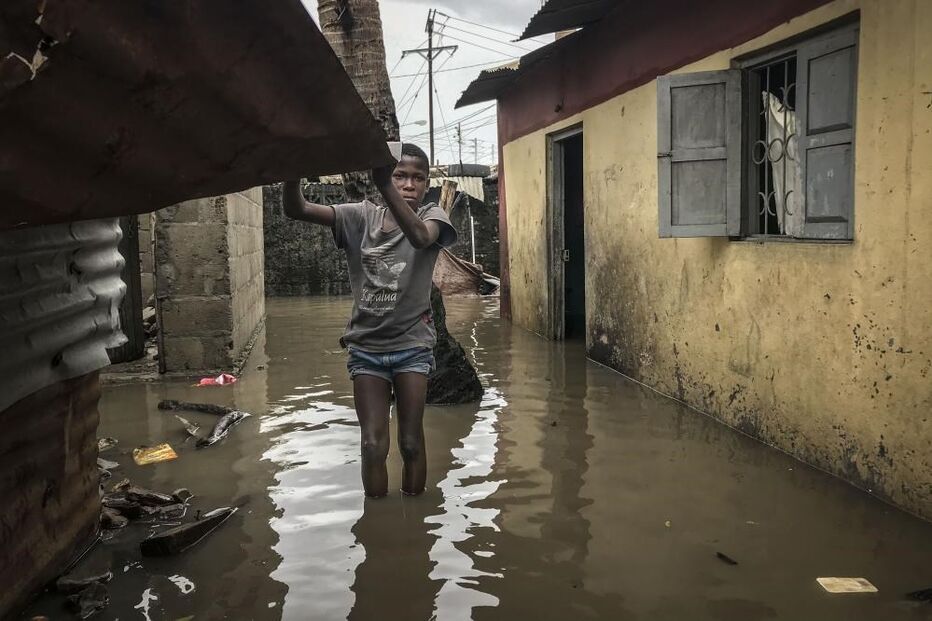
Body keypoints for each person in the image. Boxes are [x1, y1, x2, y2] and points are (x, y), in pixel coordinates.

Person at [282, 144, 456, 498]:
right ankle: (377, 532)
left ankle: (413, 530)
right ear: (389, 178)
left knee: (410, 443)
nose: (409, 184)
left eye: (417, 178)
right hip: (367, 351)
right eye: (400, 176)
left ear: (426, 185)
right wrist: (293, 164)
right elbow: (294, 208)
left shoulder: (434, 216)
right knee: (373, 445)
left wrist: (384, 184)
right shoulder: (360, 217)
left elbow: (420, 238)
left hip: (412, 347)